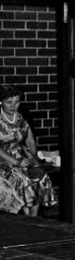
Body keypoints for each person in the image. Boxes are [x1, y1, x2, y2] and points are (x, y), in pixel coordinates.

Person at [0, 85, 57, 217]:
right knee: (23, 180)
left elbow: (30, 139)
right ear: (1, 101)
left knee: (40, 174)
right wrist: (17, 162)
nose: (13, 106)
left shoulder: (19, 117)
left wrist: (32, 156)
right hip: (4, 160)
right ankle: (28, 217)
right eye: (9, 102)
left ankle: (34, 216)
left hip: (19, 156)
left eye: (17, 102)